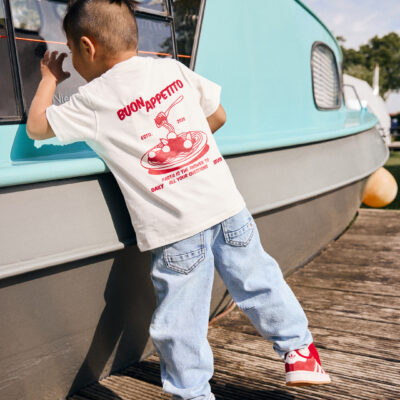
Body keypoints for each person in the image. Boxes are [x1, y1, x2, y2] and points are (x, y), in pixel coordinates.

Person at [26, 0, 331, 398]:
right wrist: (186, 152)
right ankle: (300, 351)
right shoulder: (169, 69)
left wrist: (50, 78)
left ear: (88, 46)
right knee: (259, 280)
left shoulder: (93, 99)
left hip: (177, 229)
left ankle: (193, 393)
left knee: (181, 321)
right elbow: (218, 116)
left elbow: (36, 127)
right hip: (227, 207)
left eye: (69, 48)